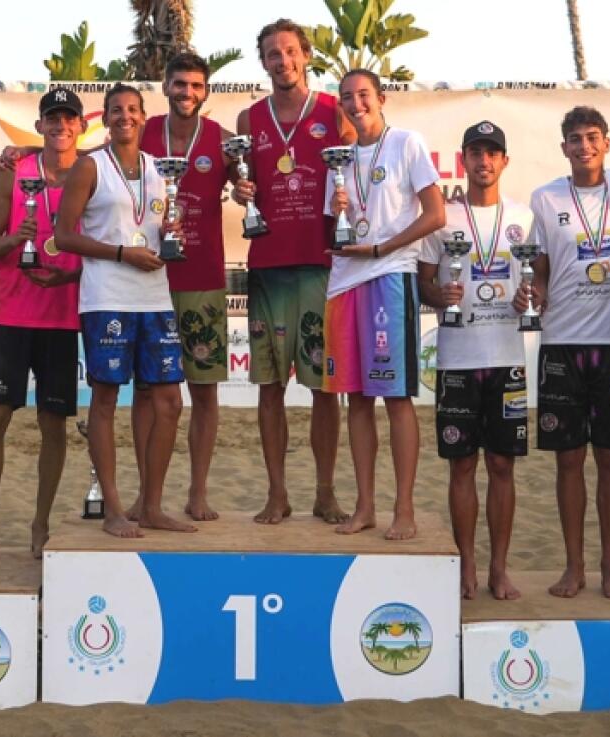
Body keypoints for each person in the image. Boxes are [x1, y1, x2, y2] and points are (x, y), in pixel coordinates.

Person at [55, 83, 192, 538]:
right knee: (107, 398)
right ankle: (113, 509)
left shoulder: (160, 170)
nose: (124, 117)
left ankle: (150, 505)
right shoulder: (88, 166)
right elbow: (64, 236)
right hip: (107, 297)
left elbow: (158, 229)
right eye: (116, 110)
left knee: (168, 401)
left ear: (144, 116)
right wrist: (120, 253)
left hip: (154, 295)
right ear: (105, 118)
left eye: (132, 110)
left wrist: (173, 237)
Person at [233, 18, 355, 525]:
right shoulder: (248, 119)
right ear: (262, 62)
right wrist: (240, 192)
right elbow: (237, 180)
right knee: (269, 385)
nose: (282, 61)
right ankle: (277, 493)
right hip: (267, 265)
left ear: (305, 56)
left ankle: (325, 492)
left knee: (324, 387)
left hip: (320, 265)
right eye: (271, 54)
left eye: (289, 52)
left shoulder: (335, 111)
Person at [520, 106, 610, 599]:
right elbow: (541, 267)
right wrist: (536, 292)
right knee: (568, 462)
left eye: (592, 137)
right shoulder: (546, 197)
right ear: (564, 147)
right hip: (561, 344)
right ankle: (574, 567)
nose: (584, 145)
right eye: (575, 139)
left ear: (607, 142)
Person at [323, 69, 443, 540]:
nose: (357, 104)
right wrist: (339, 210)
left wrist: (381, 248)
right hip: (345, 281)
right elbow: (339, 228)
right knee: (356, 397)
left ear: (382, 97)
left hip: (390, 278)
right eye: (348, 97)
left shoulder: (407, 143)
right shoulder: (339, 159)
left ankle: (405, 509)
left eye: (364, 95)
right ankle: (365, 507)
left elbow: (434, 215)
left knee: (395, 397)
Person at [0, 88, 84, 562]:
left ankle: (41, 523)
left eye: (68, 119)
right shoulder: (14, 173)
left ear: (80, 126)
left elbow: (94, 250)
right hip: (12, 314)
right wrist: (17, 237)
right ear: (40, 126)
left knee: (52, 424)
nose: (60, 126)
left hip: (62, 315)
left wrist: (72, 273)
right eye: (51, 119)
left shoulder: (91, 173)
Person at [419, 121, 531, 600]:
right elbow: (422, 283)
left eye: (493, 153)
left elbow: (538, 281)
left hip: (507, 356)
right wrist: (437, 294)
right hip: (457, 359)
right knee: (461, 467)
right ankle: (465, 566)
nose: (484, 161)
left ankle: (498, 568)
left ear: (504, 161)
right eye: (475, 153)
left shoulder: (525, 219)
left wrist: (532, 296)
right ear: (462, 159)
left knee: (503, 466)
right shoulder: (441, 218)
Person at [131, 52, 238, 523]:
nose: (187, 92)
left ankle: (198, 492)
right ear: (165, 86)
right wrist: (24, 154)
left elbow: (253, 181)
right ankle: (144, 495)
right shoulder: (142, 132)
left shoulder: (223, 140)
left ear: (206, 91)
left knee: (205, 390)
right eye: (179, 84)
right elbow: (86, 159)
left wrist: (247, 188)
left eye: (196, 85)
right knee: (145, 391)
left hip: (202, 277)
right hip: (146, 276)